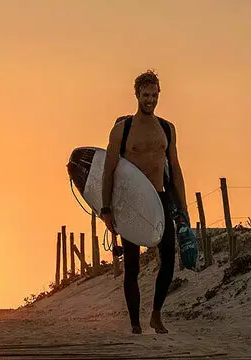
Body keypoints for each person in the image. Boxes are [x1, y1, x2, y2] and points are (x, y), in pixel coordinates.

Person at [100, 70, 188, 335]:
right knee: (132, 265)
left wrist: (182, 209)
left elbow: (176, 167)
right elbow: (108, 170)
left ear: (159, 94)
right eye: (145, 95)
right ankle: (135, 323)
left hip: (159, 197)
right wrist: (106, 209)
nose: (149, 100)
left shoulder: (167, 129)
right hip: (130, 202)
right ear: (136, 95)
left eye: (154, 95)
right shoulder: (122, 130)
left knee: (169, 257)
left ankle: (156, 314)